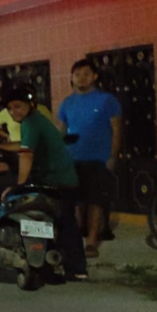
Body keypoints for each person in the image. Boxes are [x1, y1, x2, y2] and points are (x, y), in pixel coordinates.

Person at [1, 89, 87, 279]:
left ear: (30, 105)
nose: (14, 111)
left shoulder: (31, 122)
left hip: (56, 182)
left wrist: (19, 185)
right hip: (62, 179)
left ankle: (74, 267)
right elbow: (25, 144)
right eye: (10, 108)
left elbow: (27, 154)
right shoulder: (36, 120)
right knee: (61, 223)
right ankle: (67, 266)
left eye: (18, 106)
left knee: (59, 222)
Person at [56, 59, 122, 259]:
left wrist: (112, 156)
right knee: (76, 202)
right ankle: (77, 237)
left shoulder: (107, 100)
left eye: (86, 74)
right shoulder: (67, 103)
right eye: (77, 74)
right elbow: (61, 132)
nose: (81, 78)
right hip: (72, 160)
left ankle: (91, 242)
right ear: (71, 78)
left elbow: (117, 130)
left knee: (95, 201)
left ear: (94, 77)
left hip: (98, 160)